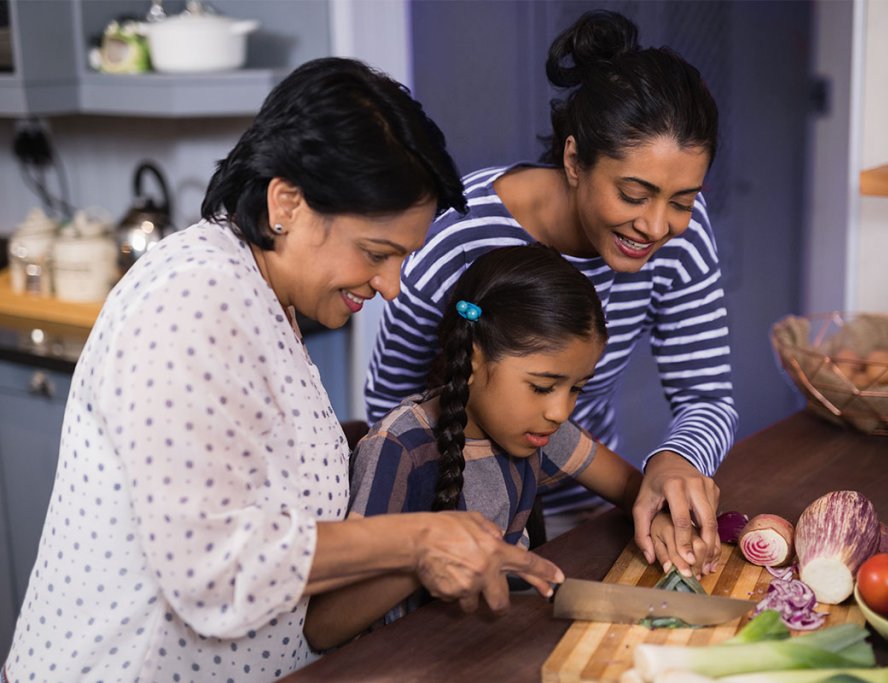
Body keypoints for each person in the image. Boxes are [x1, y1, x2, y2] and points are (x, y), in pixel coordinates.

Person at [2, 57, 564, 682]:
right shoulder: (191, 301)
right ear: (286, 203)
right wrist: (420, 538)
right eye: (377, 254)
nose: (392, 287)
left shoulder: (266, 300)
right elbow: (213, 569)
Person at [365, 10, 736, 576]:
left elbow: (707, 395)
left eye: (682, 201)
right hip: (453, 525)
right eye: (634, 194)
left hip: (588, 510)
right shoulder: (460, 236)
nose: (658, 226)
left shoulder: (684, 236)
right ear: (572, 159)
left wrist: (673, 462)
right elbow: (390, 404)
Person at [305, 245, 683, 649]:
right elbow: (325, 627)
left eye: (576, 388)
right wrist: (426, 557)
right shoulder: (399, 448)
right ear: (472, 360)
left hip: (488, 649)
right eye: (542, 386)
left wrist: (655, 516)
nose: (559, 410)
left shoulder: (533, 426)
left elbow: (630, 489)